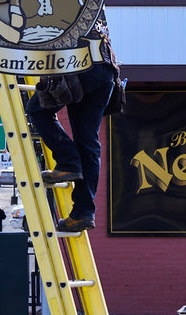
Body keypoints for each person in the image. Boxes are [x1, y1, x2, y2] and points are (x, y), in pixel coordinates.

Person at [26, 14, 122, 233]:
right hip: (106, 69)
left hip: (79, 63)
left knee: (37, 111)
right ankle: (82, 213)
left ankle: (68, 161)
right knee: (88, 140)